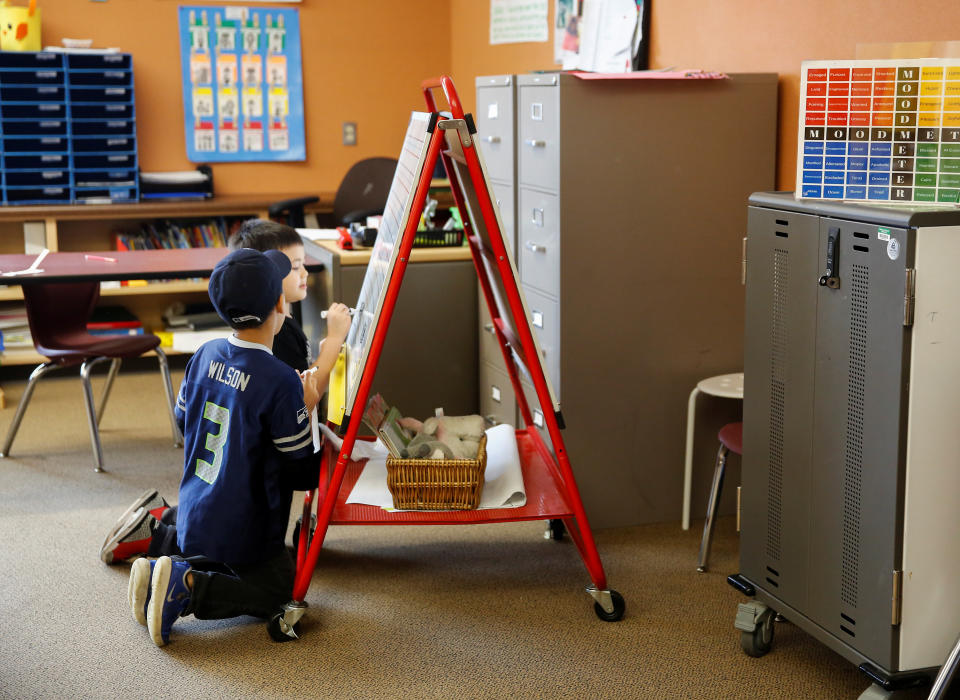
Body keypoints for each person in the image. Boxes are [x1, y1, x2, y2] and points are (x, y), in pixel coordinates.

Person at [99, 220, 351, 564]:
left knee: (208, 512)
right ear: (274, 298)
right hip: (246, 500)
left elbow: (183, 419)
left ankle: (160, 519)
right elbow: (297, 454)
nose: (304, 272)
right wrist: (310, 393)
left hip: (210, 482)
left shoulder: (206, 352)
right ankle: (160, 540)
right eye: (293, 267)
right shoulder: (278, 358)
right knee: (273, 579)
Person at [130, 247, 339, 646]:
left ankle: (159, 565)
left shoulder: (203, 354)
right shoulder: (279, 380)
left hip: (194, 514)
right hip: (247, 532)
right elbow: (300, 470)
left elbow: (182, 420)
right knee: (281, 589)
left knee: (216, 547)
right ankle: (188, 586)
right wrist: (307, 409)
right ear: (280, 303)